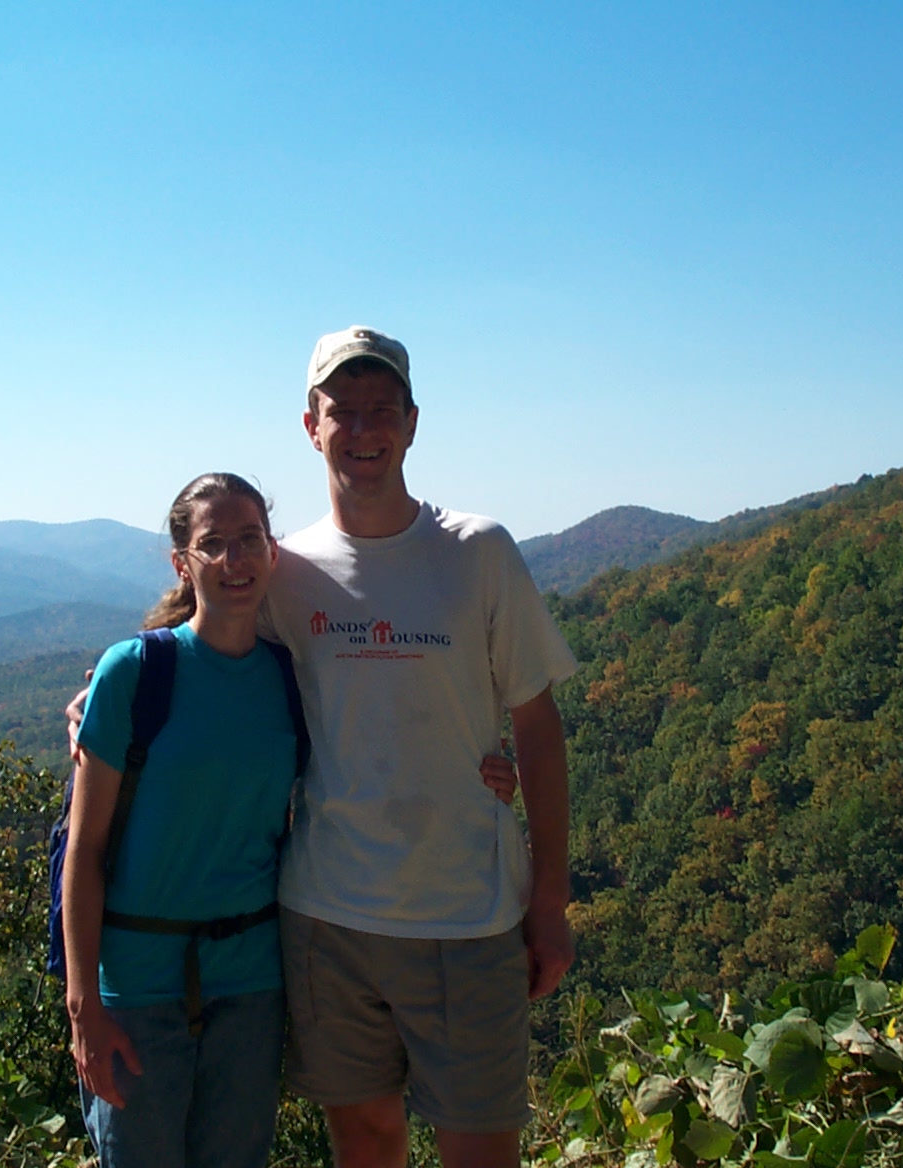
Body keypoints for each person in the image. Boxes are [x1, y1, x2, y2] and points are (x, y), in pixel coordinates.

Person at [264, 325, 579, 1168]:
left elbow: (538, 730)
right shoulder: (283, 569)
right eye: (343, 411)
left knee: (481, 1147)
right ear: (310, 425)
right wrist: (107, 692)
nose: (362, 431)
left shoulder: (478, 552)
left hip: (469, 911)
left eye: (380, 410)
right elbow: (201, 654)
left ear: (411, 422)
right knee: (364, 1142)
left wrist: (549, 903)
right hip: (327, 911)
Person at [62, 472, 298, 1168]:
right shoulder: (135, 672)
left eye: (249, 539)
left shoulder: (288, 677)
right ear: (182, 563)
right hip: (136, 988)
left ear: (272, 550)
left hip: (251, 984)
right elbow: (87, 851)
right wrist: (83, 1009)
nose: (234, 560)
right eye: (213, 544)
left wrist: (492, 768)